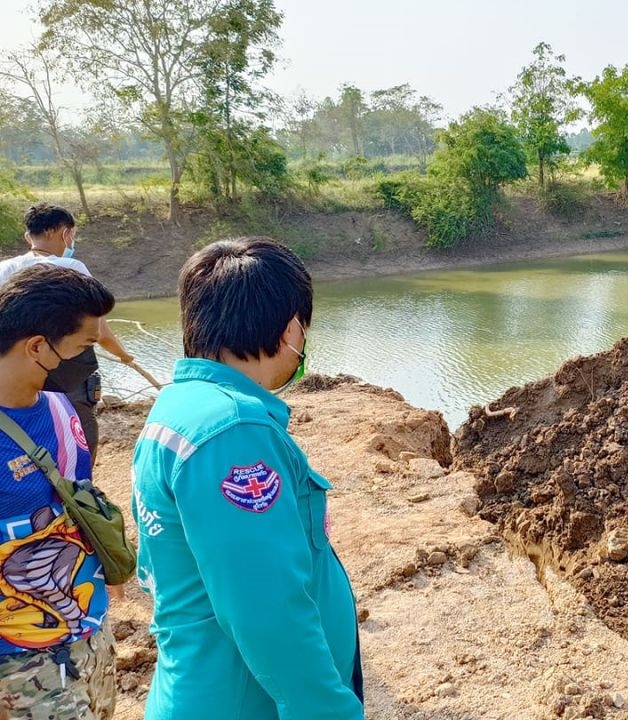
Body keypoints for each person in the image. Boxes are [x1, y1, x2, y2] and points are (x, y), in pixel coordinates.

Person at [131, 237, 363, 719]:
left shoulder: (183, 406)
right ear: (292, 328)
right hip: (241, 699)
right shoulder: (232, 432)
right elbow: (267, 609)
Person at [0, 264, 118, 719]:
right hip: (19, 659)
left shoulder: (60, 409)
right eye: (84, 346)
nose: (87, 360)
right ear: (37, 347)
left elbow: (77, 499)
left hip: (88, 633)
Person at [0, 203, 135, 464]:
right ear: (63, 233)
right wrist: (124, 355)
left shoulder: (4, 268)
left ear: (30, 237)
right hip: (63, 371)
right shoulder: (70, 266)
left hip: (11, 375)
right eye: (71, 234)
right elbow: (99, 331)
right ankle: (79, 488)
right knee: (79, 432)